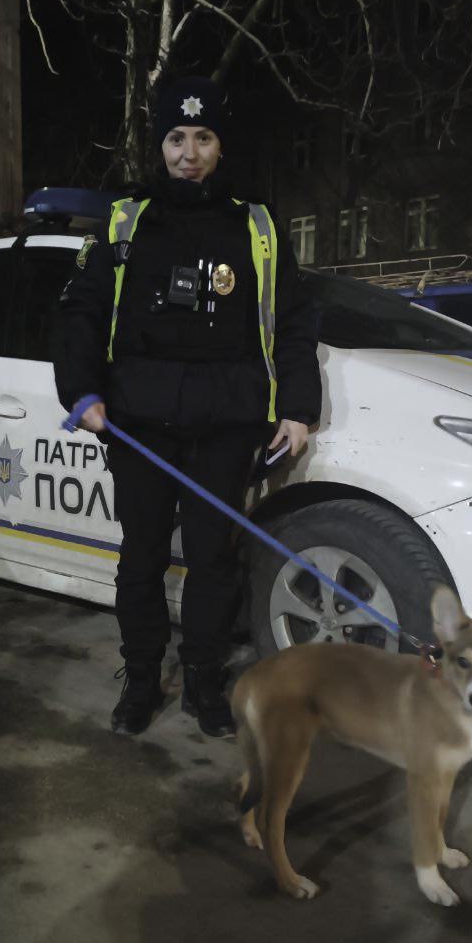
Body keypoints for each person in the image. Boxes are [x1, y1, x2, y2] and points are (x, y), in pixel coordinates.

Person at [53, 76, 322, 738]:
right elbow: (79, 315)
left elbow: (292, 320)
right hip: (138, 425)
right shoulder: (126, 219)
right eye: (176, 138)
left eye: (203, 138)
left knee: (213, 562)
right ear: (161, 145)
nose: (189, 152)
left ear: (220, 146)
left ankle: (203, 680)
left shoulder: (255, 225)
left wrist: (297, 408)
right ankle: (142, 679)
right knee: (140, 560)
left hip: (226, 428)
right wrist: (81, 392)